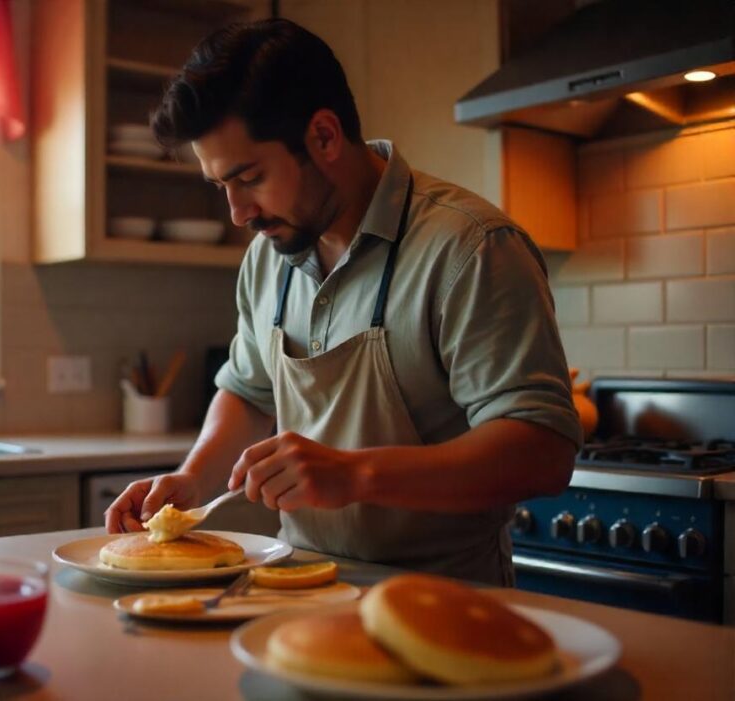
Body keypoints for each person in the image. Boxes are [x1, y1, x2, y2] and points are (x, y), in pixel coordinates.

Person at [105, 18, 581, 586]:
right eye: (220, 187)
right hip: (299, 589)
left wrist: (357, 474)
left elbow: (542, 451)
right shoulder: (267, 257)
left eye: (249, 178)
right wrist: (190, 479)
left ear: (325, 136)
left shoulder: (469, 248)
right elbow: (248, 393)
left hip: (450, 598)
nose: (237, 213)